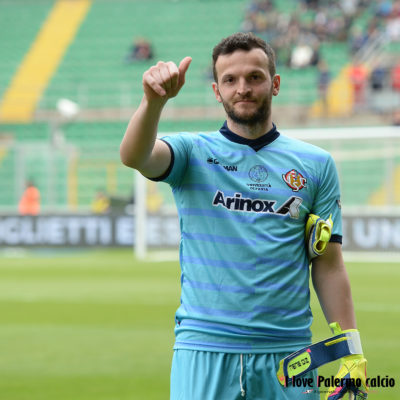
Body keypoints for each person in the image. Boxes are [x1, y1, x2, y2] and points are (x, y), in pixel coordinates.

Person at [120, 32, 367, 400]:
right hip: (204, 349)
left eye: (254, 77)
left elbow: (328, 265)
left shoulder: (316, 165)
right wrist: (152, 103)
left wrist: (351, 350)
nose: (243, 88)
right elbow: (135, 156)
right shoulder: (192, 152)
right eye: (230, 79)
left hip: (289, 353)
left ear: (275, 84)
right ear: (217, 91)